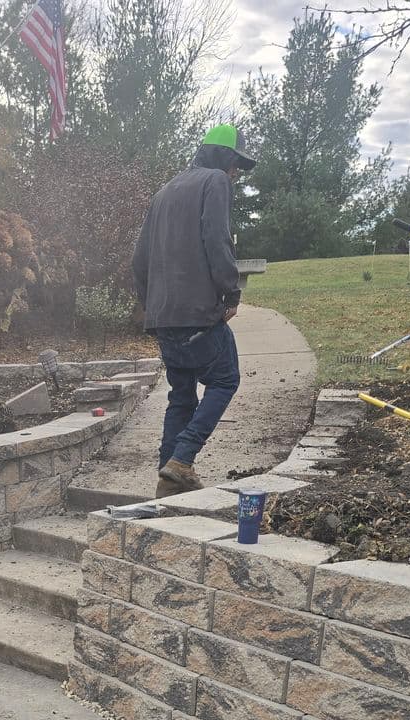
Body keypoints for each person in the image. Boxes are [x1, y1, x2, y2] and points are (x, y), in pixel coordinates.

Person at [133, 124, 256, 498]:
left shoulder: (164, 191)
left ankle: (167, 481)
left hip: (164, 317)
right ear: (223, 158)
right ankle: (182, 460)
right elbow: (216, 238)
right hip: (198, 312)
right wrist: (230, 293)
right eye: (236, 163)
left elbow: (138, 260)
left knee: (182, 396)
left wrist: (152, 305)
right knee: (225, 379)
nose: (236, 173)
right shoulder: (215, 182)